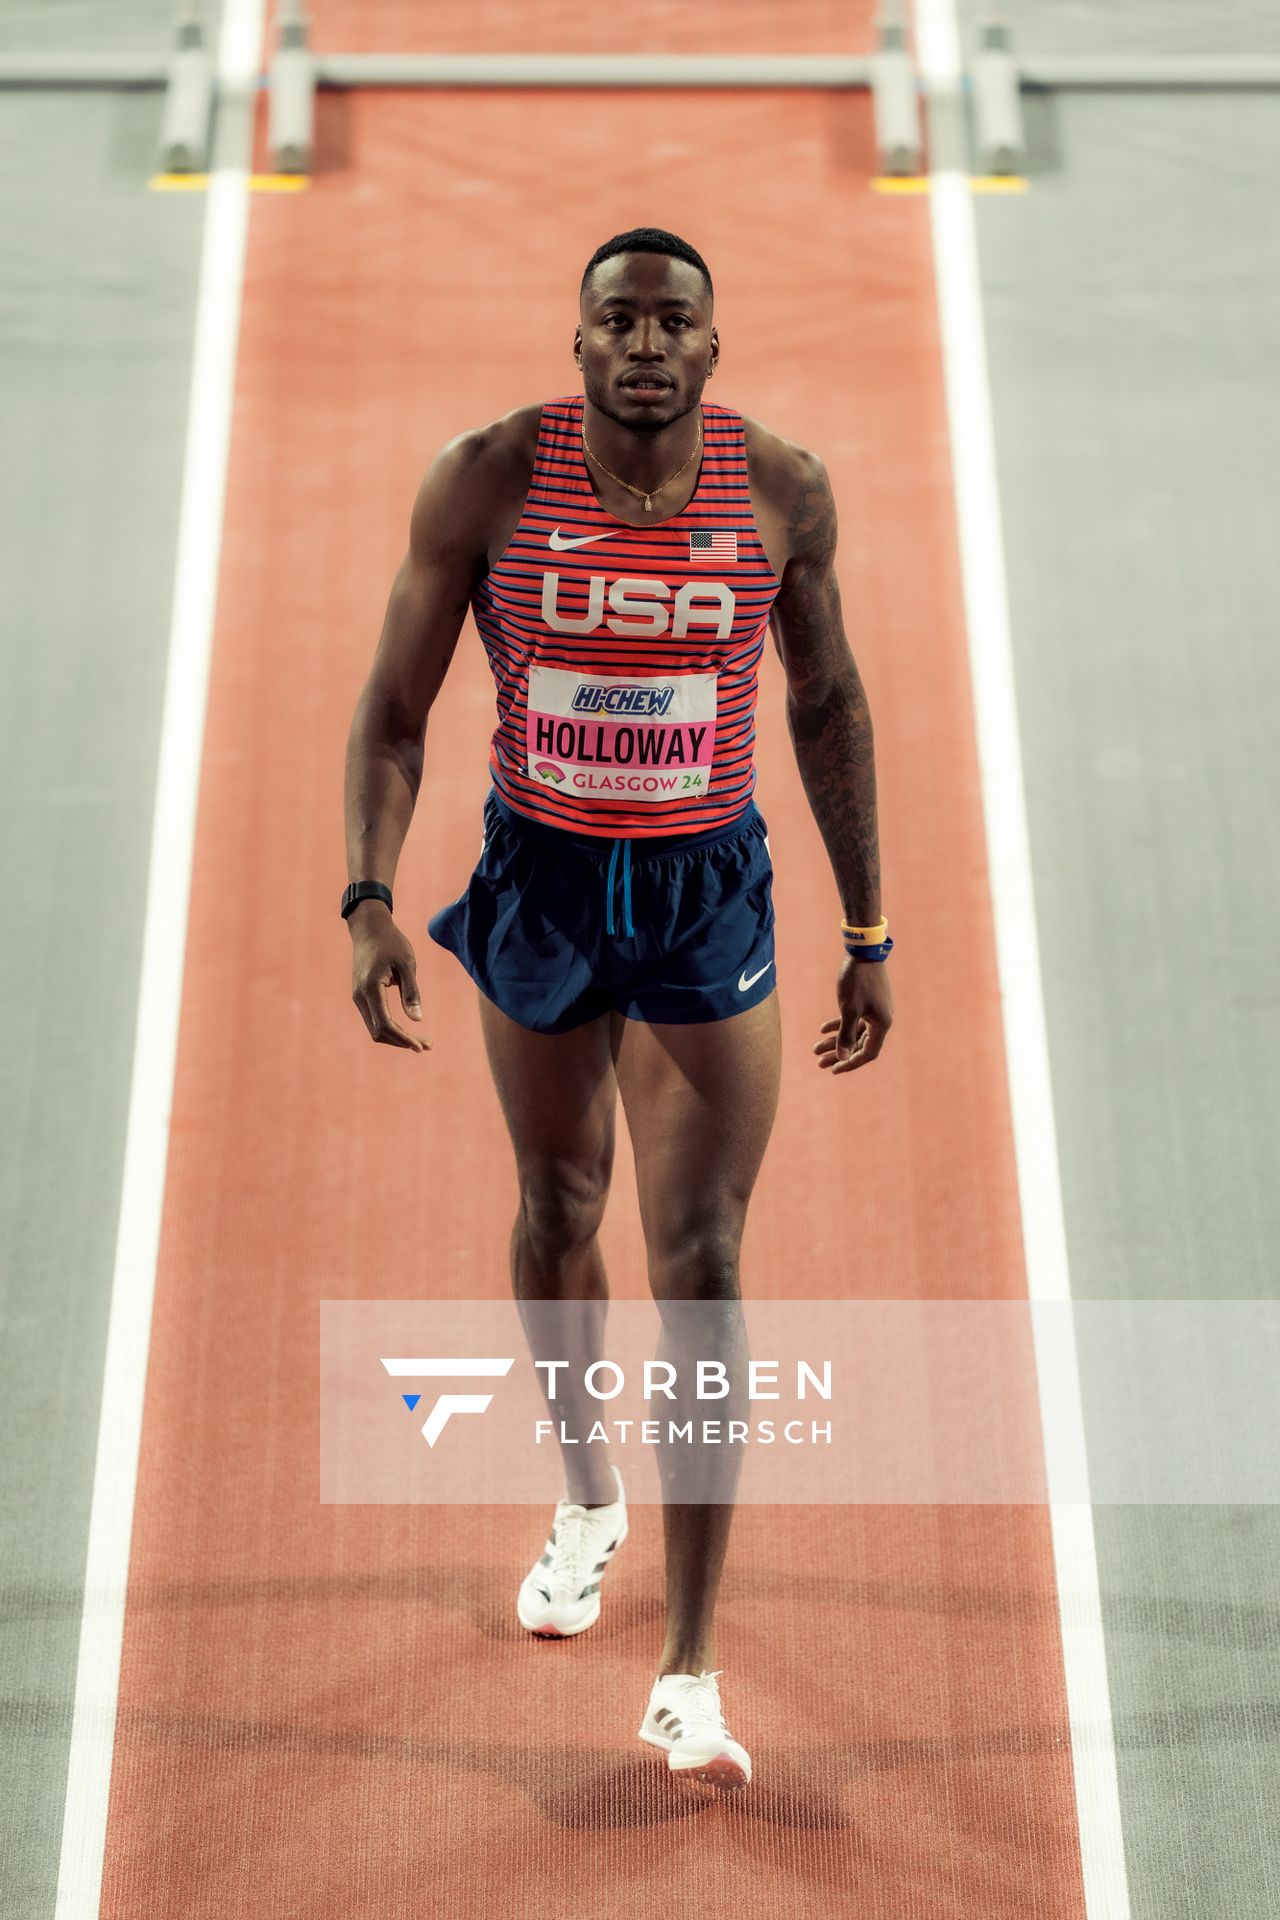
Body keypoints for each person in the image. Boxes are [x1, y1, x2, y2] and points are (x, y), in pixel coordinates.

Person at [342, 226, 893, 1791]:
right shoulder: (488, 482)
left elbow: (829, 702)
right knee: (556, 1202)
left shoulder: (780, 488)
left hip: (708, 893)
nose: (644, 342)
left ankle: (690, 1667)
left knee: (706, 1258)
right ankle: (590, 1495)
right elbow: (394, 709)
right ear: (577, 341)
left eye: (673, 322)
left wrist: (868, 923)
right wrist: (369, 893)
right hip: (540, 883)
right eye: (616, 319)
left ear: (712, 351)